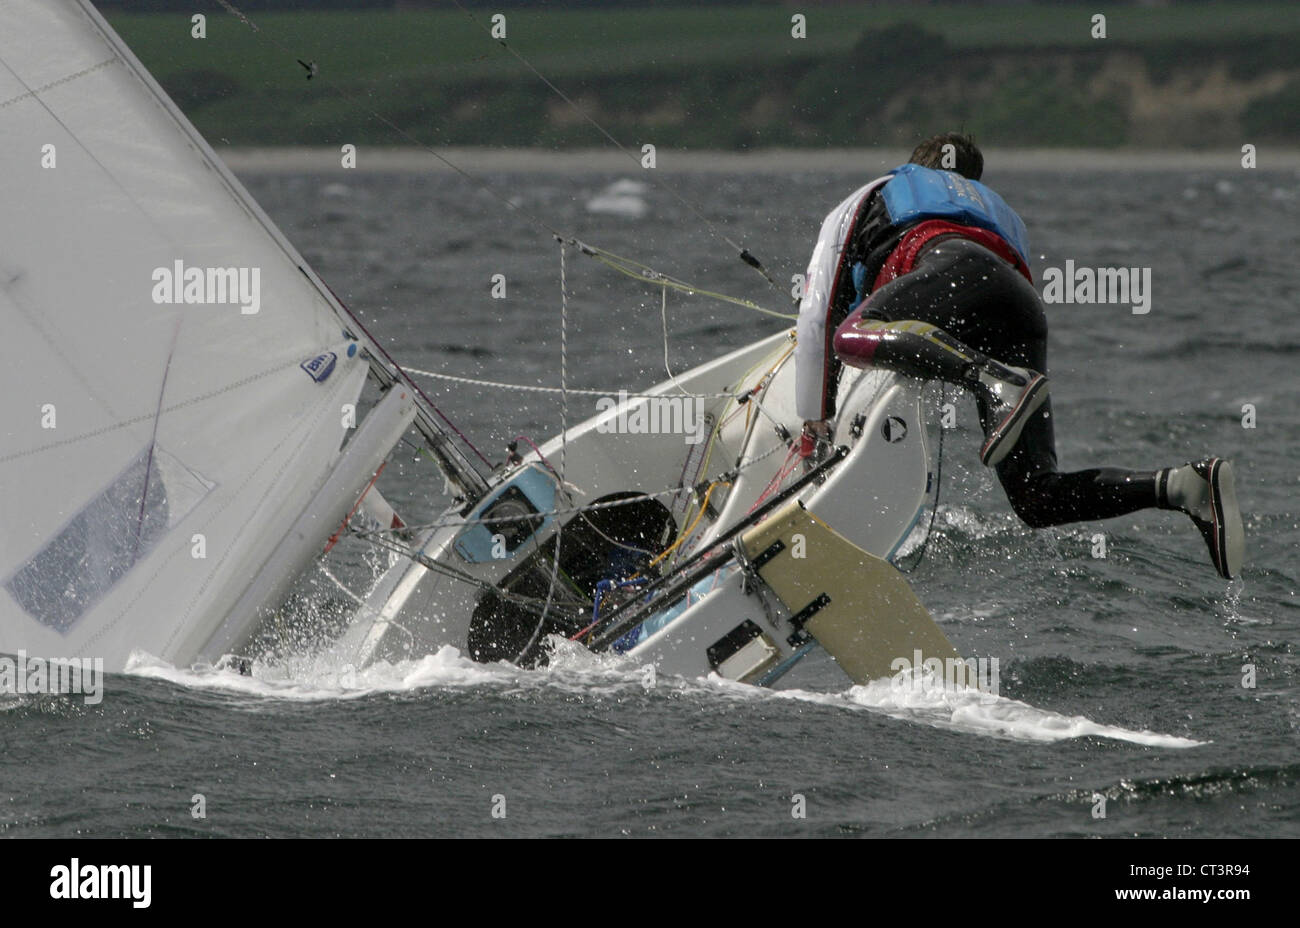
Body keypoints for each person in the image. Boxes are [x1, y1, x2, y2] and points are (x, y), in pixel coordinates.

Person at [794, 132, 1244, 579]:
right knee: (1036, 497)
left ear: (915, 165)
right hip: (1020, 306)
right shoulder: (997, 213)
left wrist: (815, 422)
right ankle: (1182, 487)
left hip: (951, 271)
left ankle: (994, 382)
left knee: (850, 337)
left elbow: (819, 317)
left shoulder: (873, 194)